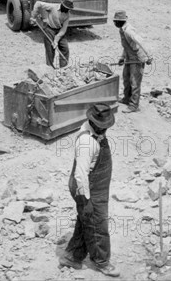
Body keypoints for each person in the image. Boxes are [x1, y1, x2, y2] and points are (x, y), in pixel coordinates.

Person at [60, 104, 120, 277]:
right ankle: (101, 261)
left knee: (86, 221)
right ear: (93, 123)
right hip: (86, 186)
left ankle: (72, 256)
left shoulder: (97, 134)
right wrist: (86, 201)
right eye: (103, 126)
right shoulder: (87, 142)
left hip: (96, 185)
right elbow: (80, 174)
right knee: (97, 224)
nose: (106, 129)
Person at [114, 11, 152, 113]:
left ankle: (134, 105)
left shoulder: (128, 31)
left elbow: (140, 41)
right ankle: (127, 98)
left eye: (115, 21)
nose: (114, 23)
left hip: (137, 58)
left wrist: (149, 56)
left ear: (120, 21)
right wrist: (122, 57)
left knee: (135, 82)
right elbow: (126, 45)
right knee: (126, 78)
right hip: (129, 57)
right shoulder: (122, 30)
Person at [30, 0, 73, 68]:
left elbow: (63, 29)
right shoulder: (53, 7)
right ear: (62, 5)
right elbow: (38, 3)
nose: (68, 10)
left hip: (59, 31)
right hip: (49, 28)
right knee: (50, 50)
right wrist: (33, 16)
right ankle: (49, 67)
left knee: (65, 48)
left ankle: (63, 68)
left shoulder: (67, 15)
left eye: (69, 9)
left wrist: (56, 40)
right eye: (67, 8)